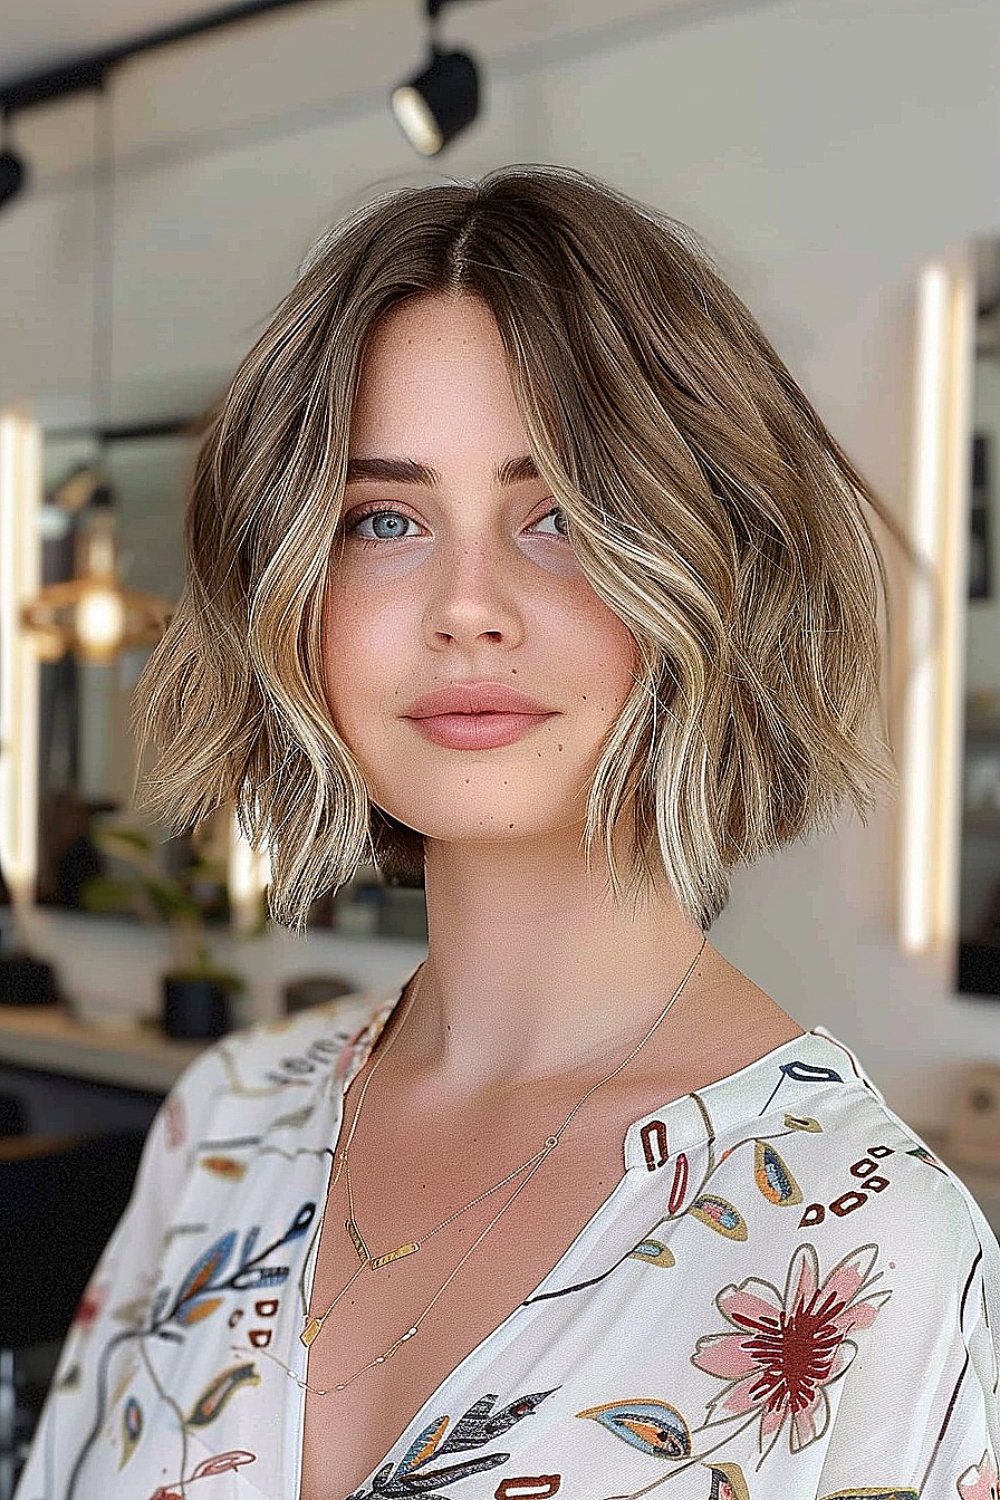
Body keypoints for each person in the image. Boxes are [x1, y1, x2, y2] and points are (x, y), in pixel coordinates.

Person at [15, 165, 999, 1500]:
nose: (466, 606)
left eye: (561, 518)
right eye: (385, 520)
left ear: (717, 568)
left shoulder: (864, 1247)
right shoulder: (223, 1129)